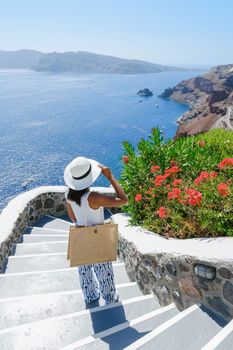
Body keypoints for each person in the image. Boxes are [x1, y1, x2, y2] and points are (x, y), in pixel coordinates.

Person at [64, 156, 128, 304]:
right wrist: (110, 177)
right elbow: (123, 200)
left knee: (84, 271)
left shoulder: (68, 194)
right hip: (97, 238)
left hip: (80, 238)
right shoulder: (93, 197)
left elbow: (71, 216)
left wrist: (82, 221)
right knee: (103, 271)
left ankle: (90, 296)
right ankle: (109, 296)